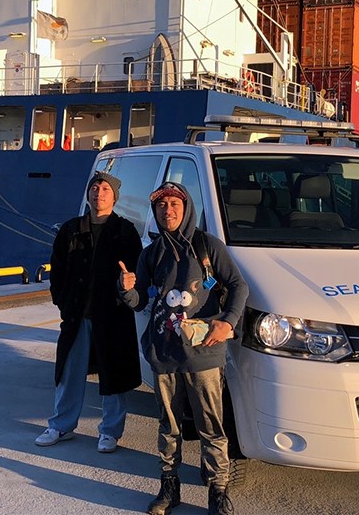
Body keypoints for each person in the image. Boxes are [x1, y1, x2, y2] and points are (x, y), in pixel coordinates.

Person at [118, 182, 249, 515]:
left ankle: (217, 492)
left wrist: (229, 322)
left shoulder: (207, 246)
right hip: (164, 353)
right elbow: (141, 302)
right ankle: (169, 486)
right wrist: (127, 291)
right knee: (169, 426)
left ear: (186, 207)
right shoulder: (152, 253)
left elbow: (238, 285)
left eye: (175, 204)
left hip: (204, 353)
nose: (168, 211)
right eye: (162, 206)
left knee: (211, 426)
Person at [35, 171, 142, 453]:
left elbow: (136, 273)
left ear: (114, 197)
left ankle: (109, 431)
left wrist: (127, 286)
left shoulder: (125, 231)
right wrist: (62, 301)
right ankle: (61, 425)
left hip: (113, 315)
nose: (99, 192)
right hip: (77, 314)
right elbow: (57, 269)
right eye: (95, 187)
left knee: (113, 374)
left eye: (105, 188)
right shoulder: (71, 229)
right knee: (70, 371)